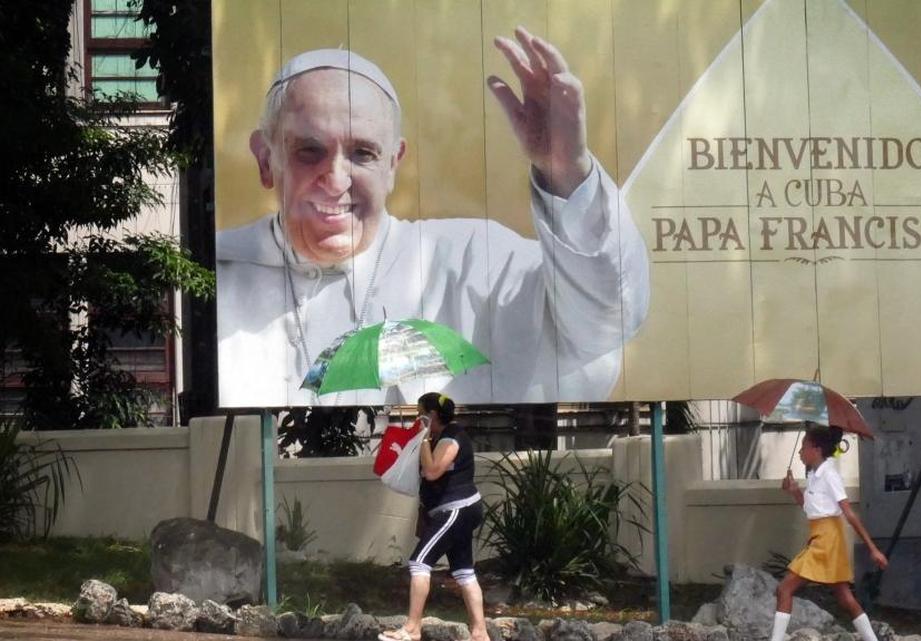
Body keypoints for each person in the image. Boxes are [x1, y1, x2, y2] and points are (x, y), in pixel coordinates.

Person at [215, 27, 650, 407]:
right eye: (309, 151)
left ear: (393, 165)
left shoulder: (471, 263)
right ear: (265, 160)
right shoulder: (215, 279)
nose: (335, 180)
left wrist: (566, 172)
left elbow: (605, 321)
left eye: (363, 153)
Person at [381, 392, 486, 641]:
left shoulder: (452, 437)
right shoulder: (440, 436)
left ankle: (412, 628)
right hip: (453, 510)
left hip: (456, 509)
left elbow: (432, 471)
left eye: (421, 412)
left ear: (433, 415)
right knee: (464, 571)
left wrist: (425, 438)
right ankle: (480, 634)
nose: (418, 417)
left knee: (419, 563)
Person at [774, 425, 889, 641]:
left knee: (784, 589)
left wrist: (872, 548)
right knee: (844, 596)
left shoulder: (829, 474)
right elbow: (812, 509)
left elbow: (849, 513)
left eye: (803, 446)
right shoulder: (815, 475)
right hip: (822, 536)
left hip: (826, 540)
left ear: (816, 449)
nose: (800, 451)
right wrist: (794, 491)